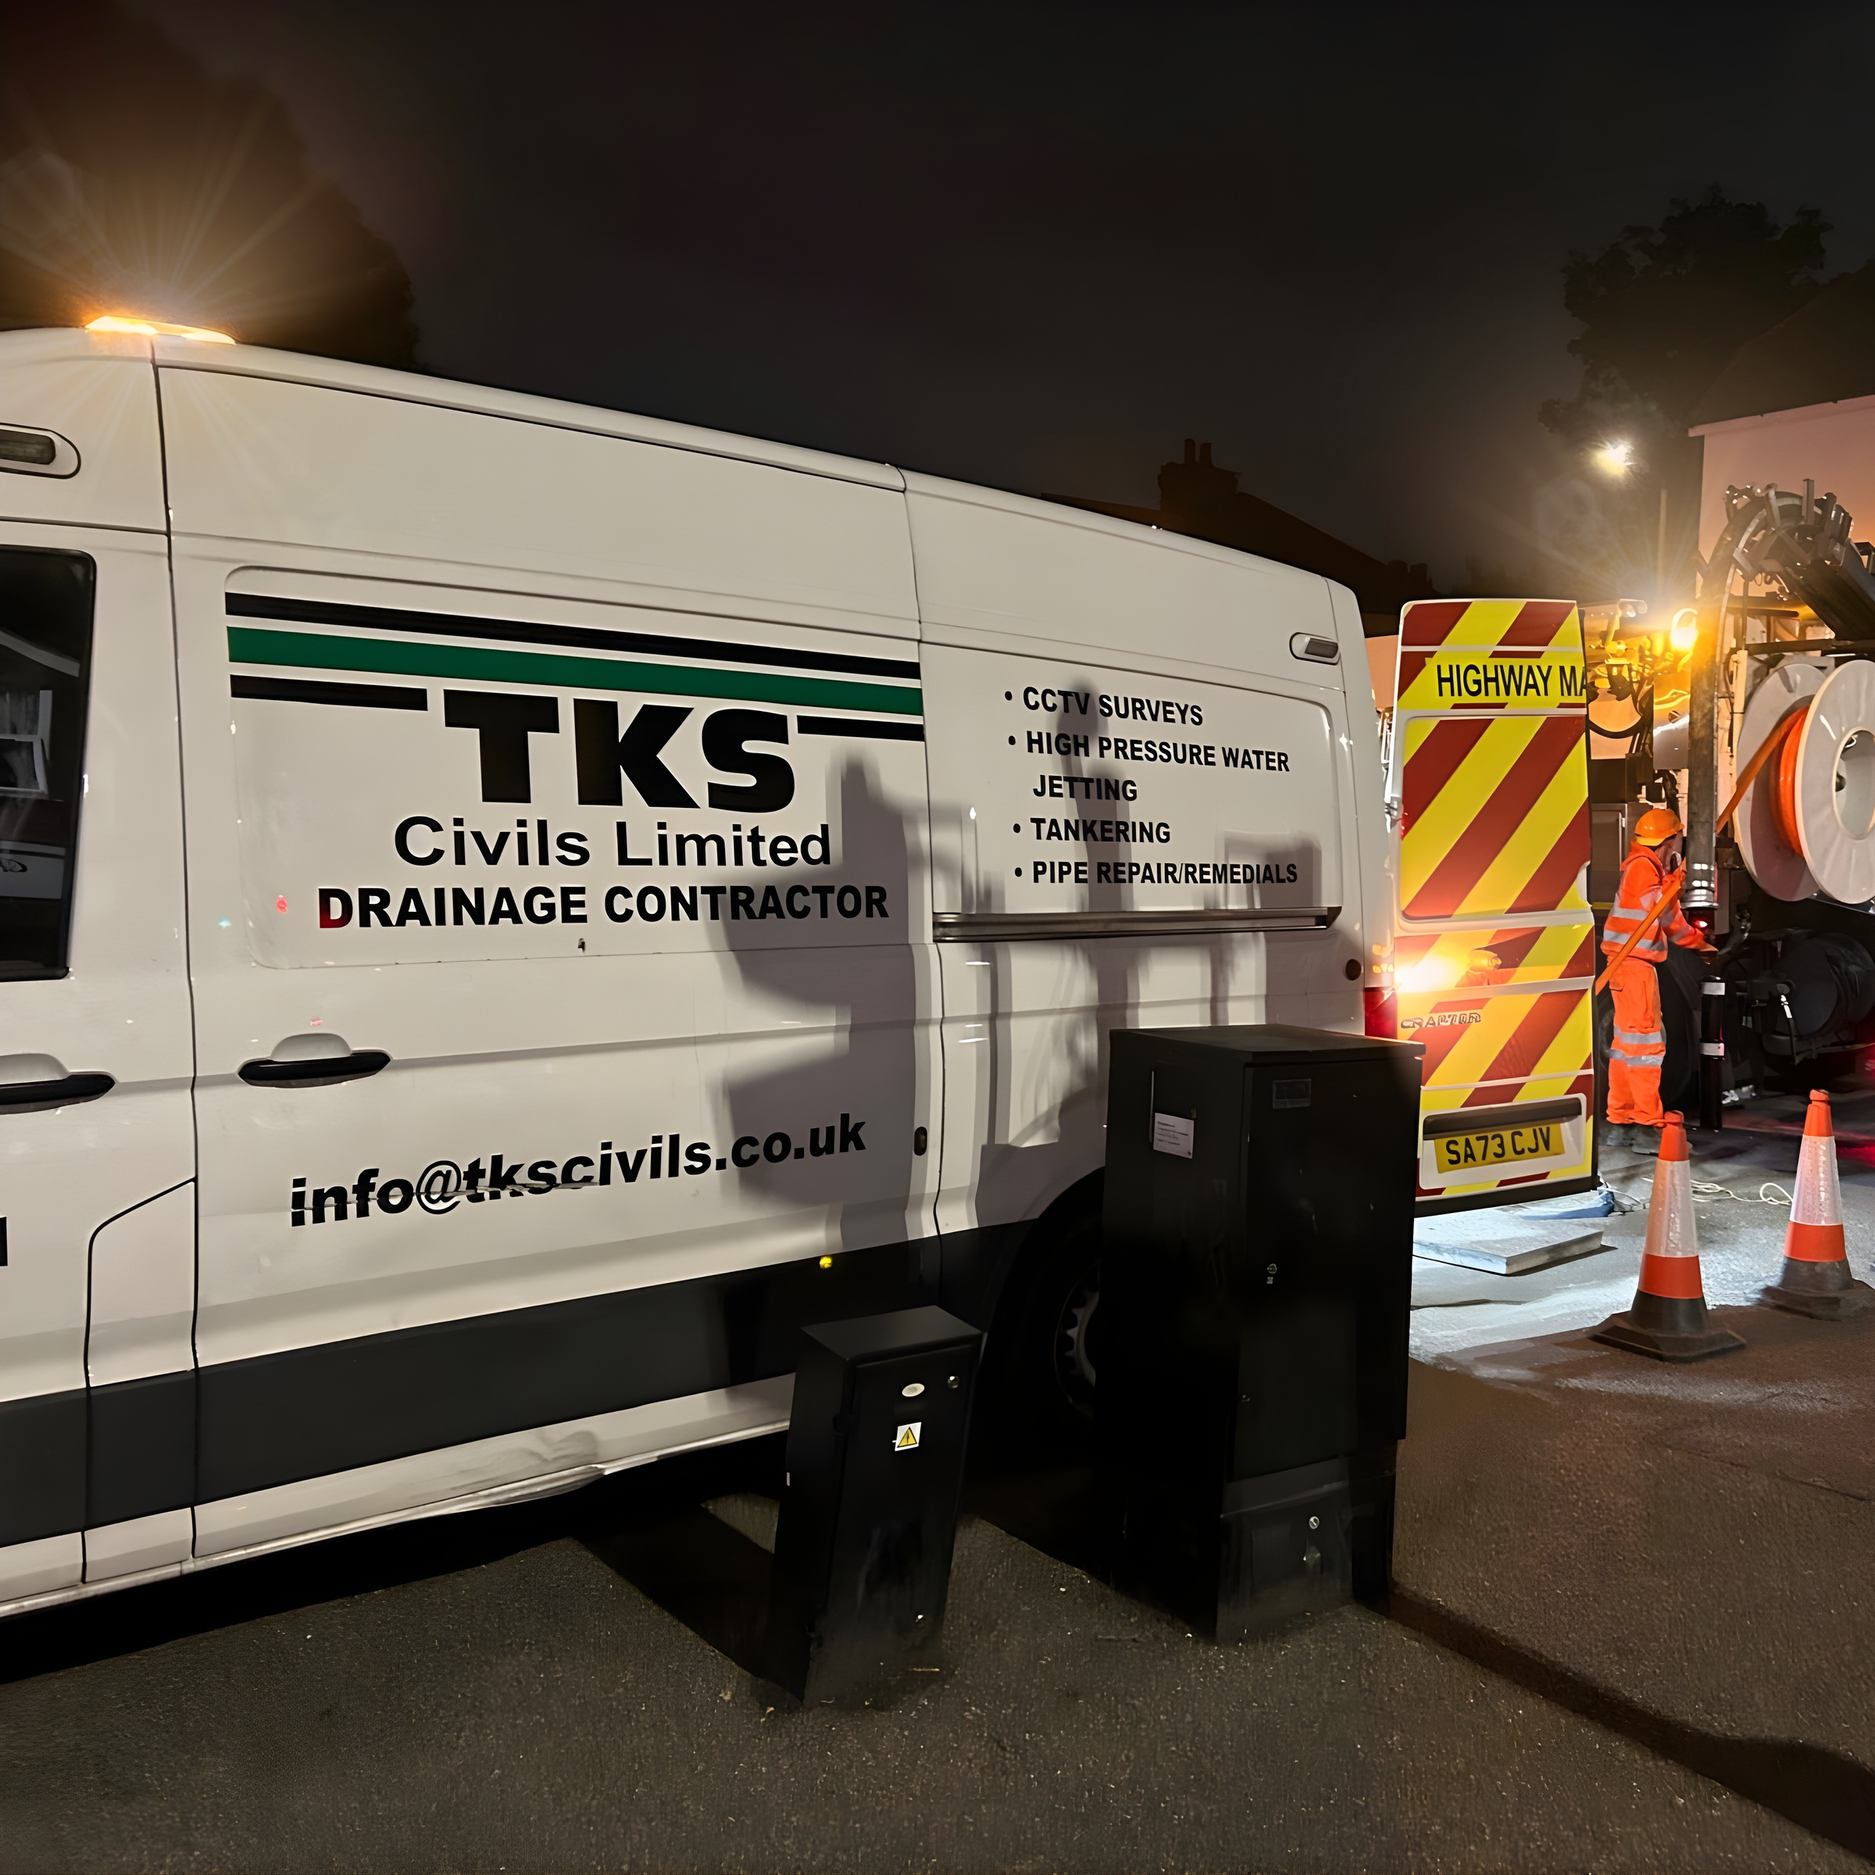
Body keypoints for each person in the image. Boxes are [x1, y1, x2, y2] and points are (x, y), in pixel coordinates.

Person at [1602, 807, 1717, 1155]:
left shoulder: (1647, 868)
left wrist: (1696, 943)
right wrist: (1673, 882)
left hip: (1627, 964)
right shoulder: (1642, 869)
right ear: (1670, 840)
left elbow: (1667, 918)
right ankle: (1647, 1126)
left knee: (1625, 1048)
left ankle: (1619, 1122)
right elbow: (1659, 907)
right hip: (1633, 966)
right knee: (1646, 1048)